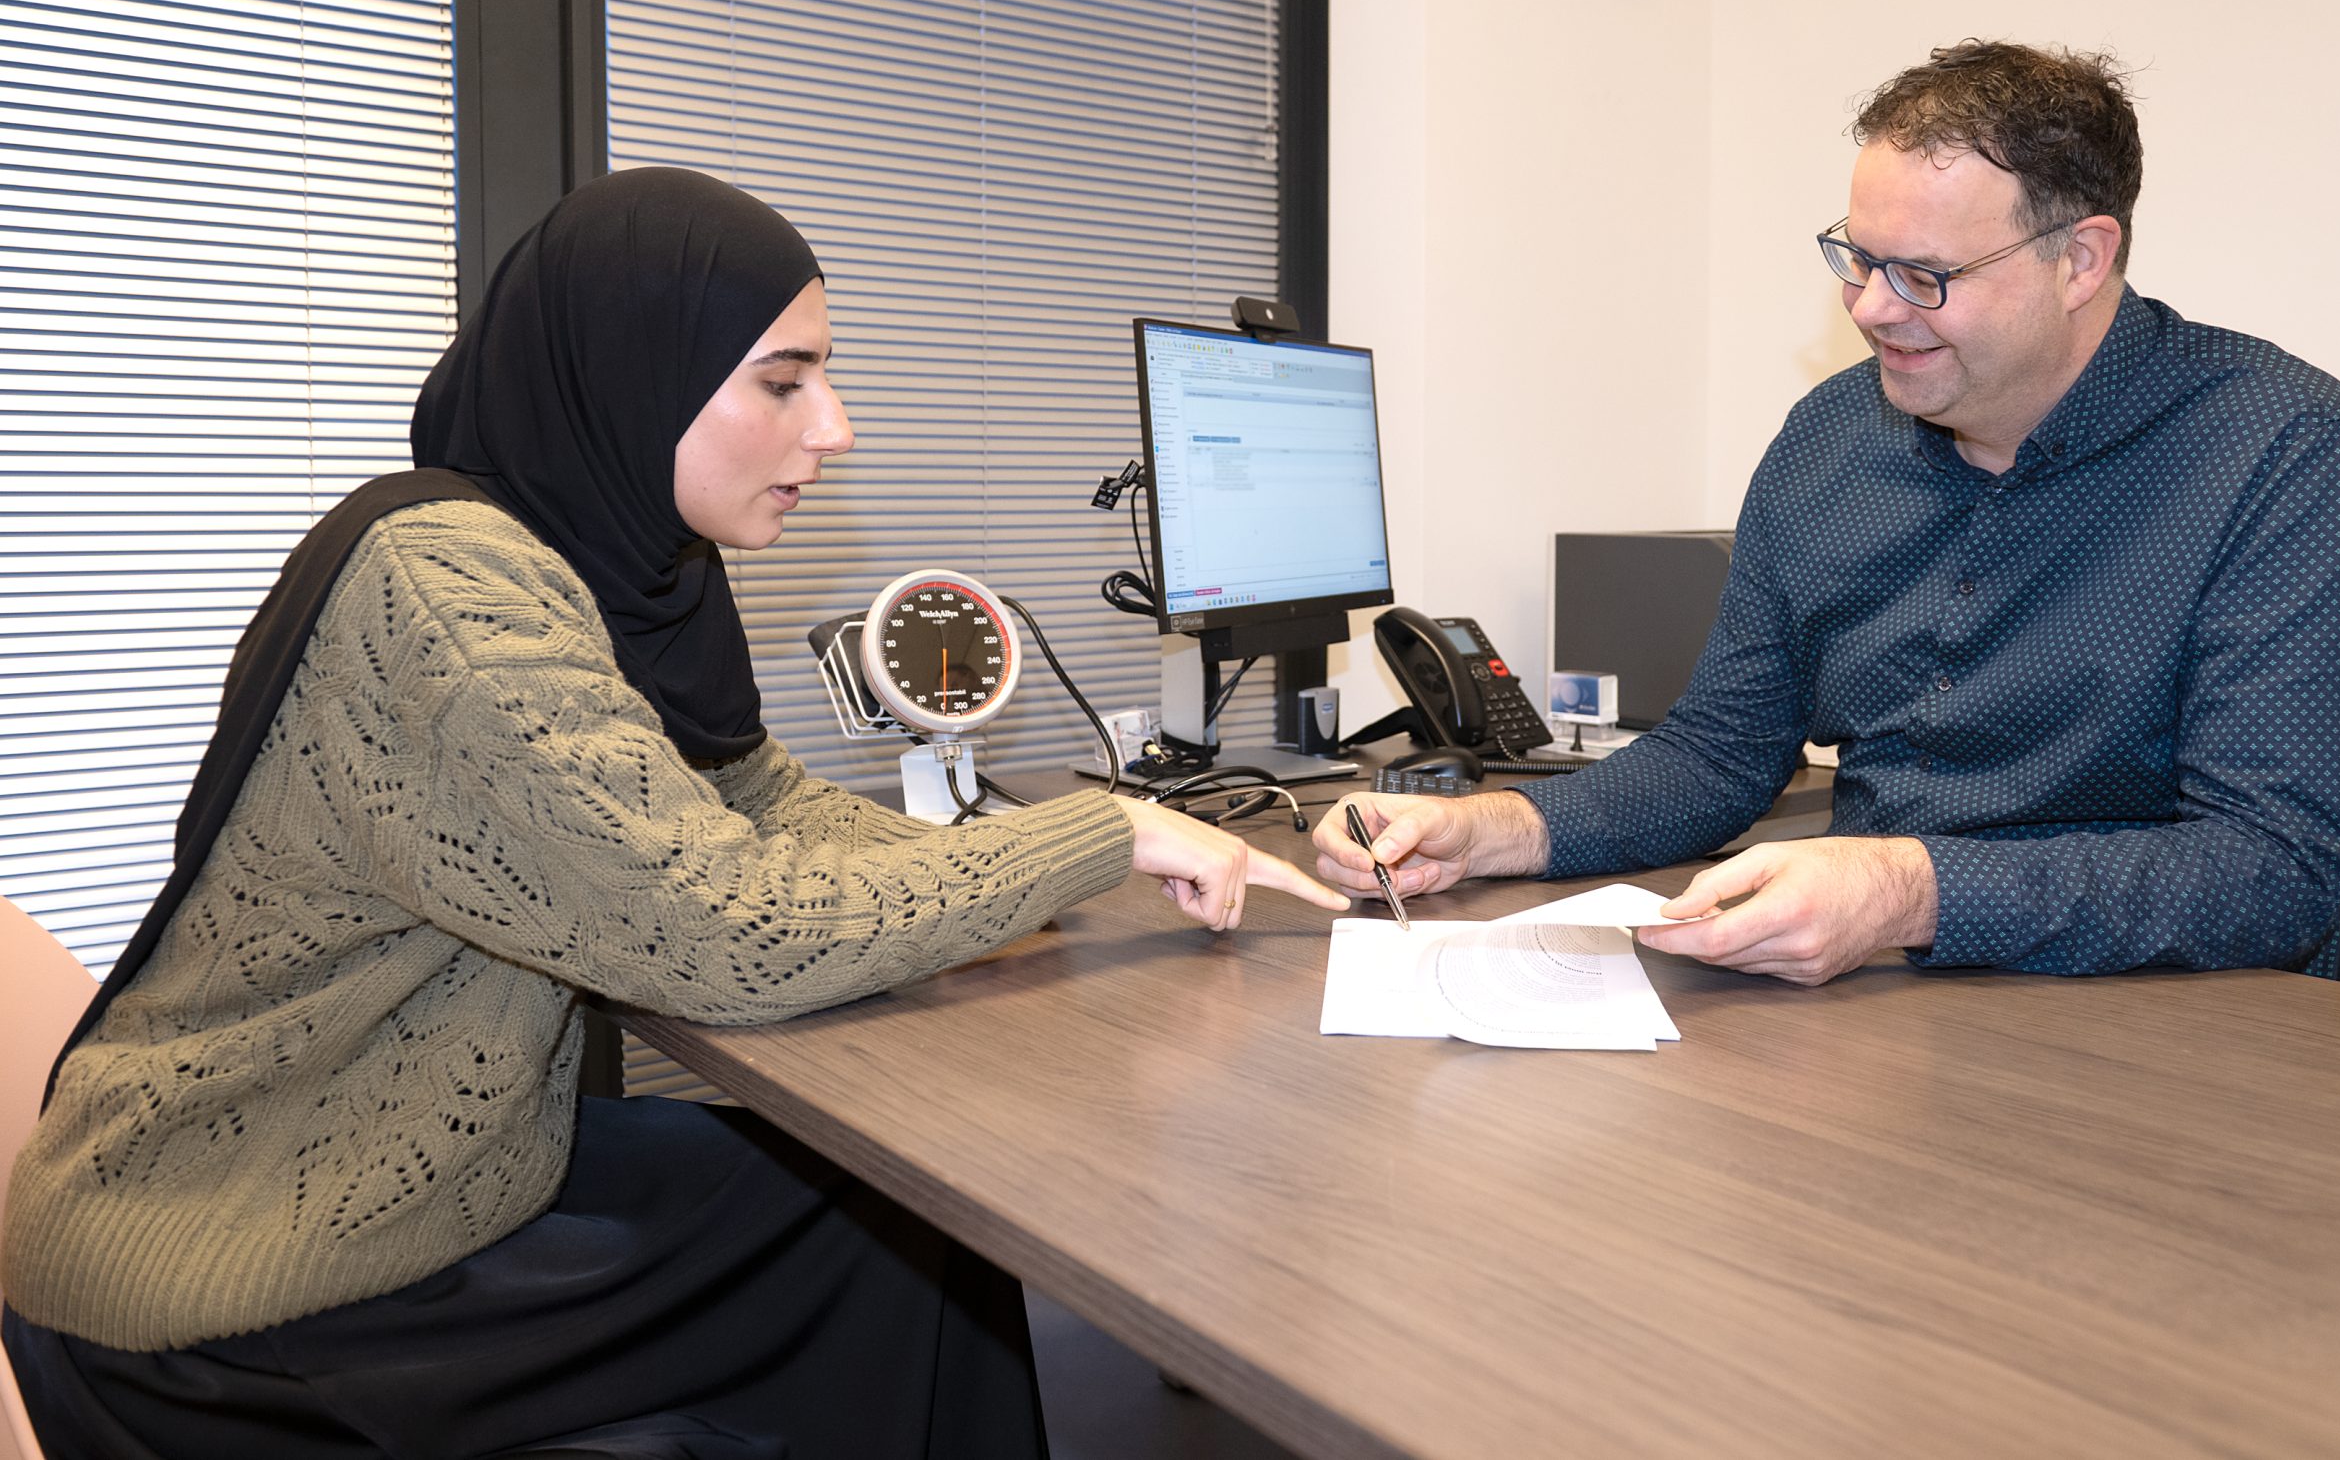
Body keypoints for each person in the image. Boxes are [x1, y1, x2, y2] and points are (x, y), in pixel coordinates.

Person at [1, 166, 1346, 1458]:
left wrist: (1069, 866)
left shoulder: (605, 562)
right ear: (632, 374)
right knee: (892, 1241)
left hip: (435, 1163)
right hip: (230, 1286)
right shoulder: (449, 598)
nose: (835, 427)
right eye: (784, 379)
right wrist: (1104, 832)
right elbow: (728, 931)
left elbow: (761, 807)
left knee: (911, 1209)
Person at [1315, 41, 2340, 986]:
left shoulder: (2281, 446)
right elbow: (1720, 752)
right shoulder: (1831, 436)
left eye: (1923, 274)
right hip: (1866, 1009)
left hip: (2164, 1033)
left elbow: (2270, 871)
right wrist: (1492, 829)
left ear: (2079, 259)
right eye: (1860, 259)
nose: (1872, 308)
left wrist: (1903, 889)